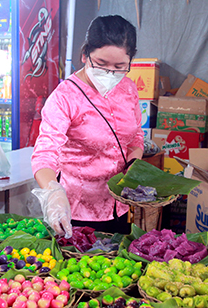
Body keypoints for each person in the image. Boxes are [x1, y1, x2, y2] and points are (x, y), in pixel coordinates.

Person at [31, 15, 144, 238]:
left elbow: (136, 136)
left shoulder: (128, 88)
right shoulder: (65, 97)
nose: (110, 73)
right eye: (101, 64)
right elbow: (44, 154)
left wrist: (133, 164)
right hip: (76, 211)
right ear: (84, 55)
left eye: (120, 66)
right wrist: (53, 193)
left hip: (119, 206)